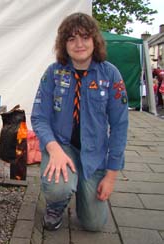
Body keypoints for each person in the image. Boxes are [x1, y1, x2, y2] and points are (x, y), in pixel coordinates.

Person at [31, 12, 128, 232]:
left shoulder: (110, 75)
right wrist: (53, 149)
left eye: (85, 37)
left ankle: (83, 190)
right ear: (63, 44)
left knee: (94, 224)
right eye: (71, 38)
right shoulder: (54, 73)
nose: (79, 44)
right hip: (62, 147)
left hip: (94, 153)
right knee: (58, 188)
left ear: (95, 40)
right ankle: (56, 204)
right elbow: (39, 116)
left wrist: (111, 176)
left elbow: (120, 127)